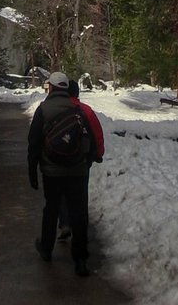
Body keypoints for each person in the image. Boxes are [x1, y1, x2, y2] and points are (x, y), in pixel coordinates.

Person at [27, 70, 96, 277]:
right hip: (77, 171)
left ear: (52, 87)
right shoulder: (78, 111)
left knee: (51, 209)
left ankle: (46, 249)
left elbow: (33, 143)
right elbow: (90, 142)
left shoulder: (43, 109)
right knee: (79, 212)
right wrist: (86, 163)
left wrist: (32, 171)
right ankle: (81, 259)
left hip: (52, 171)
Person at [57, 79, 104, 241]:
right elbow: (97, 135)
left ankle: (64, 223)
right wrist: (98, 153)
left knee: (62, 192)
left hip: (60, 160)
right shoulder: (86, 111)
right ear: (77, 93)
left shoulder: (56, 110)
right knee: (80, 193)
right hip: (82, 161)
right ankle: (80, 228)